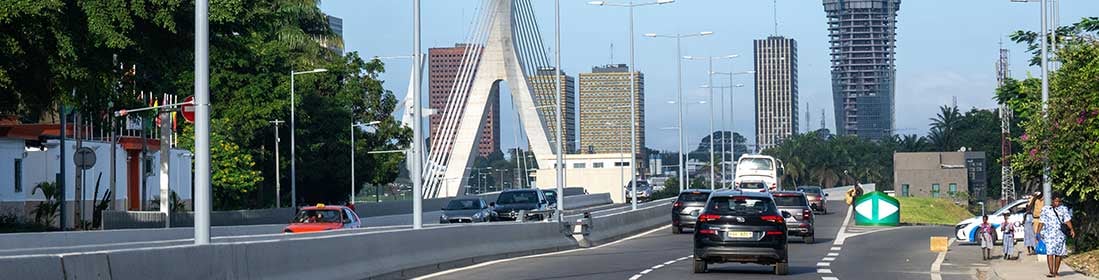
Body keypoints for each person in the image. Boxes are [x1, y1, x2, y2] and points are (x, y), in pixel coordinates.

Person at [1036, 195, 1076, 278]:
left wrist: (1072, 229)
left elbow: (1067, 220)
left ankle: (1056, 271)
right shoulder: (1046, 209)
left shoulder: (1063, 209)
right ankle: (1051, 271)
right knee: (1050, 252)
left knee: (1059, 253)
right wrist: (1038, 232)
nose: (1057, 203)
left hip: (1060, 235)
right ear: (1052, 201)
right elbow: (1041, 221)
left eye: (1059, 201)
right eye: (1056, 201)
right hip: (1049, 234)